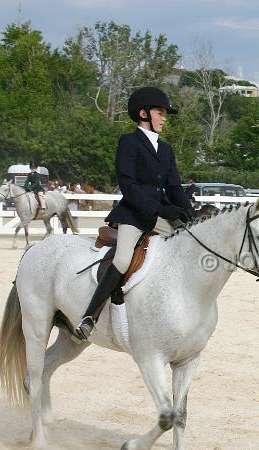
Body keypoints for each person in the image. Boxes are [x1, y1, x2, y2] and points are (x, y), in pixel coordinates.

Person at [73, 86, 195, 342]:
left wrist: (189, 212)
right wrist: (159, 208)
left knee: (186, 249)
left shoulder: (166, 150)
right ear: (143, 113)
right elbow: (128, 185)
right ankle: (90, 317)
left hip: (161, 217)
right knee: (122, 260)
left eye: (164, 114)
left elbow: (174, 187)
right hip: (135, 215)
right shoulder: (129, 143)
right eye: (160, 113)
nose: (164, 118)